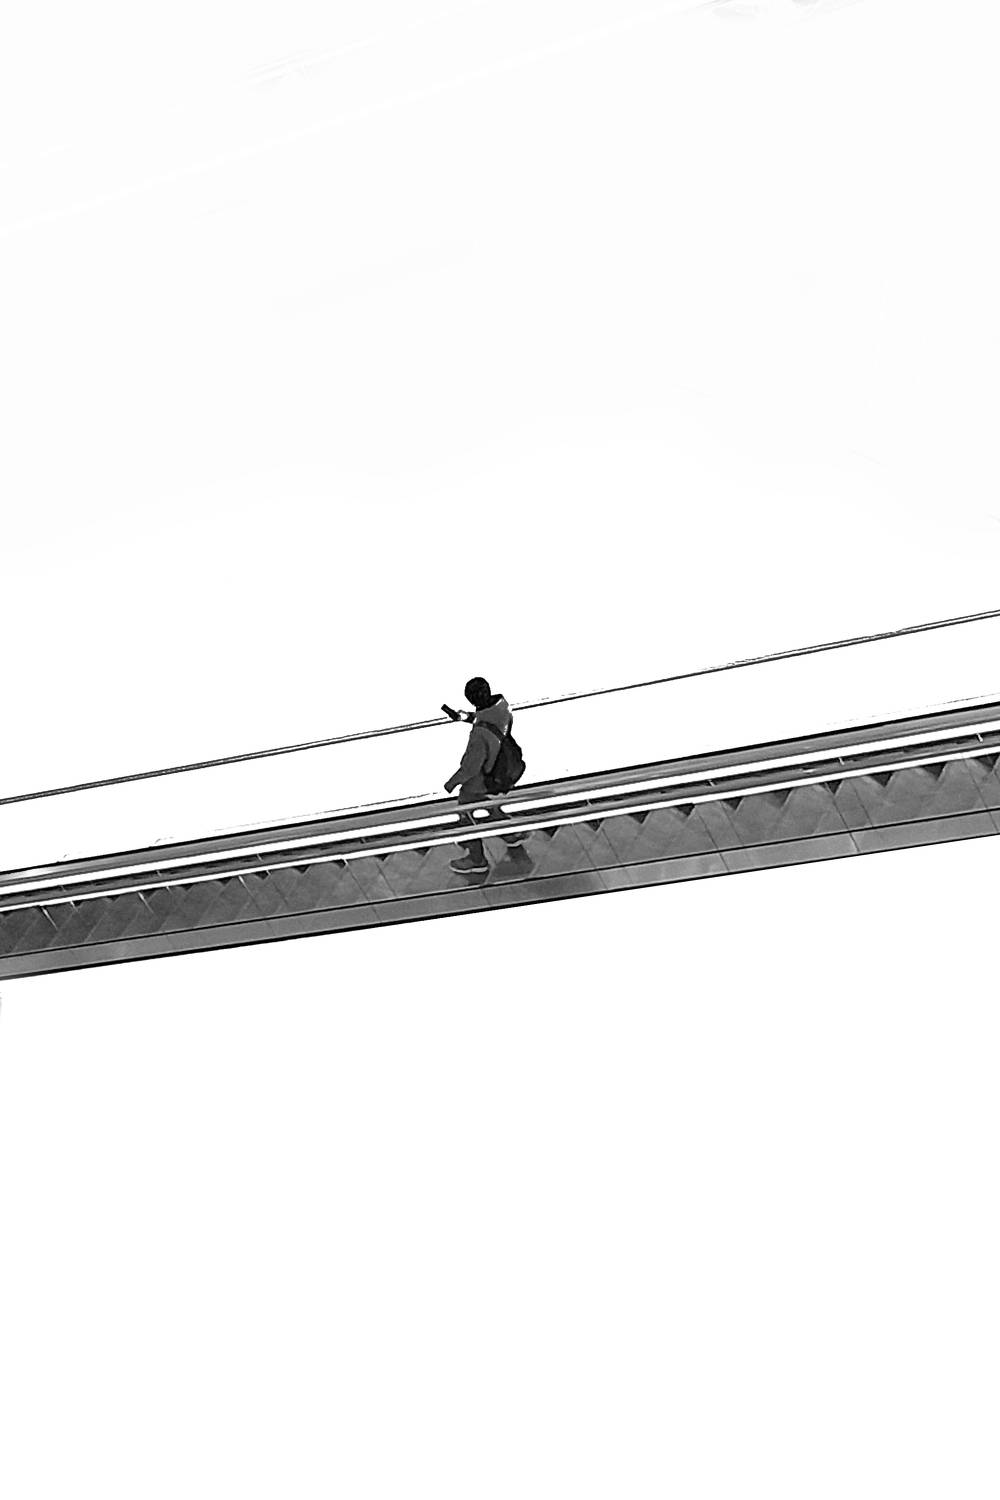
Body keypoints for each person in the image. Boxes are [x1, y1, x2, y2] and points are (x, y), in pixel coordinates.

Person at [442, 677, 525, 874]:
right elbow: (490, 722)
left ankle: (476, 859)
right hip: (500, 766)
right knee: (487, 806)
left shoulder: (479, 735)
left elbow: (470, 768)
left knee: (466, 813)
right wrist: (466, 717)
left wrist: (451, 783)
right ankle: (511, 834)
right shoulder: (502, 707)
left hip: (481, 780)